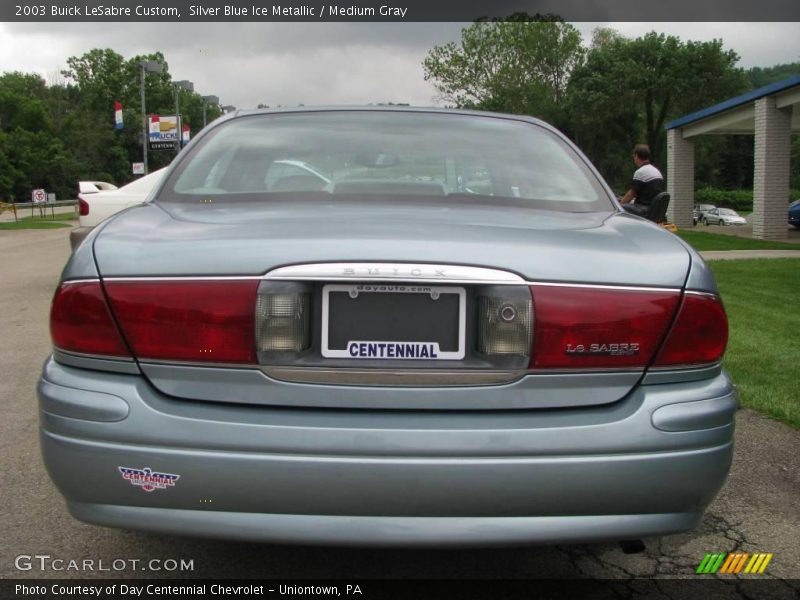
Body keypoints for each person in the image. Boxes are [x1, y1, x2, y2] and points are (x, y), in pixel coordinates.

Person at [619, 144, 664, 217]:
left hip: (643, 209)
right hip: (653, 208)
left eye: (633, 156)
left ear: (636, 156)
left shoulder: (641, 172)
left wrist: (618, 205)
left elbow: (630, 195)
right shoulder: (656, 171)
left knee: (619, 209)